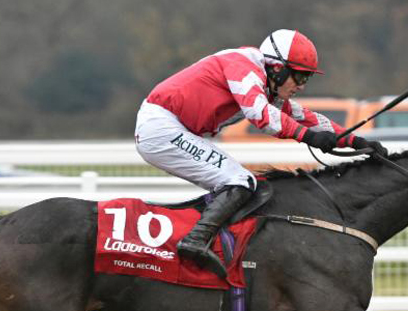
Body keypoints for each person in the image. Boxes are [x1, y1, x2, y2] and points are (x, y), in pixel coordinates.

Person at [135, 29, 388, 278]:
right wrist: (309, 138)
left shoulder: (266, 83)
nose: (301, 85)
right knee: (240, 181)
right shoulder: (243, 66)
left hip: (173, 127)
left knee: (241, 183)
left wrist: (356, 140)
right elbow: (261, 116)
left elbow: (306, 118)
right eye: (299, 77)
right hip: (161, 127)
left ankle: (209, 241)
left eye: (306, 79)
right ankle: (195, 241)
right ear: (278, 68)